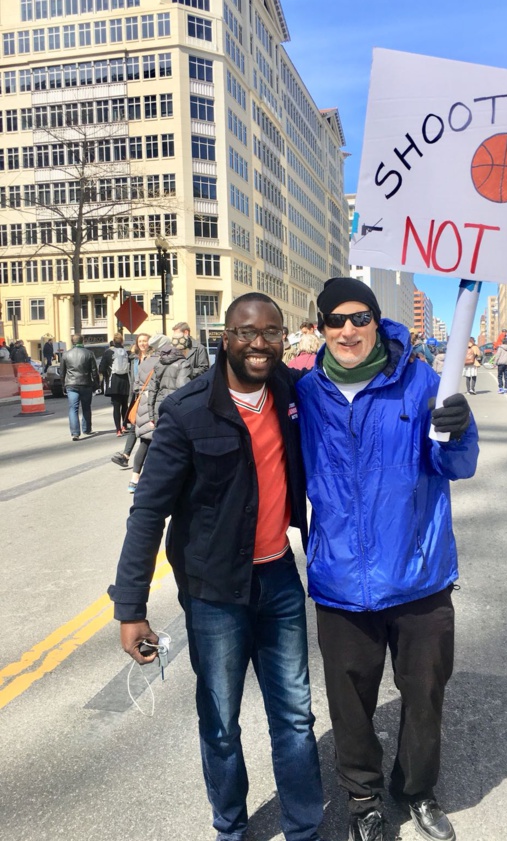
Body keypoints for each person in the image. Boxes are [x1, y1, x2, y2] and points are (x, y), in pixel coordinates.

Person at [108, 293, 323, 841]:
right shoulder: (187, 412)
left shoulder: (291, 394)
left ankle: (304, 829)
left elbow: (359, 362)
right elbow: (148, 513)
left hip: (277, 579)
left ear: (284, 339)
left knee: (295, 718)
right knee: (221, 723)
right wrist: (130, 608)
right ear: (224, 337)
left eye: (272, 332)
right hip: (213, 594)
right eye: (248, 332)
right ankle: (230, 828)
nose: (260, 343)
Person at [295, 278, 479, 841]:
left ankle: (418, 791)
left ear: (376, 320)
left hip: (418, 575)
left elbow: (457, 466)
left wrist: (461, 429)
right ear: (320, 327)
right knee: (350, 703)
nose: (347, 330)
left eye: (358, 318)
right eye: (335, 320)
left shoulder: (423, 380)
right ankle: (362, 798)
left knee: (424, 695)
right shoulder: (304, 393)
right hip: (341, 580)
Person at [127, 333, 193, 493]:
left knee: (146, 443)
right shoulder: (181, 363)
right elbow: (183, 388)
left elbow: (147, 387)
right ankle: (165, 482)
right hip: (171, 409)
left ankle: (135, 479)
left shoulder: (152, 362)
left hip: (151, 407)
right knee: (170, 445)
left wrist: (150, 414)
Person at [111, 333, 152, 468]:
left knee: (142, 428)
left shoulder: (153, 358)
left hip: (149, 396)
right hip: (137, 396)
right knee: (135, 424)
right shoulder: (135, 359)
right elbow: (134, 378)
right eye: (140, 341)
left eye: (144, 341)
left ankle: (135, 458)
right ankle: (126, 455)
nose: (142, 343)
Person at [60, 334, 100, 441]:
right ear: (83, 341)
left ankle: (75, 433)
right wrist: (96, 384)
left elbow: (62, 372)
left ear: (72, 341)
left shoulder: (66, 354)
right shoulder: (89, 354)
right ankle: (86, 429)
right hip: (86, 383)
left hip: (71, 384)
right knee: (86, 407)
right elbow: (94, 371)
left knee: (73, 408)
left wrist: (63, 385)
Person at [99, 334, 131, 436]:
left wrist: (106, 376)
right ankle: (125, 425)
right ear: (122, 341)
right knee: (125, 404)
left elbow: (102, 368)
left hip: (114, 381)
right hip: (125, 380)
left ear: (113, 341)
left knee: (116, 406)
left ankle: (118, 429)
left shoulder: (108, 352)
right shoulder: (127, 352)